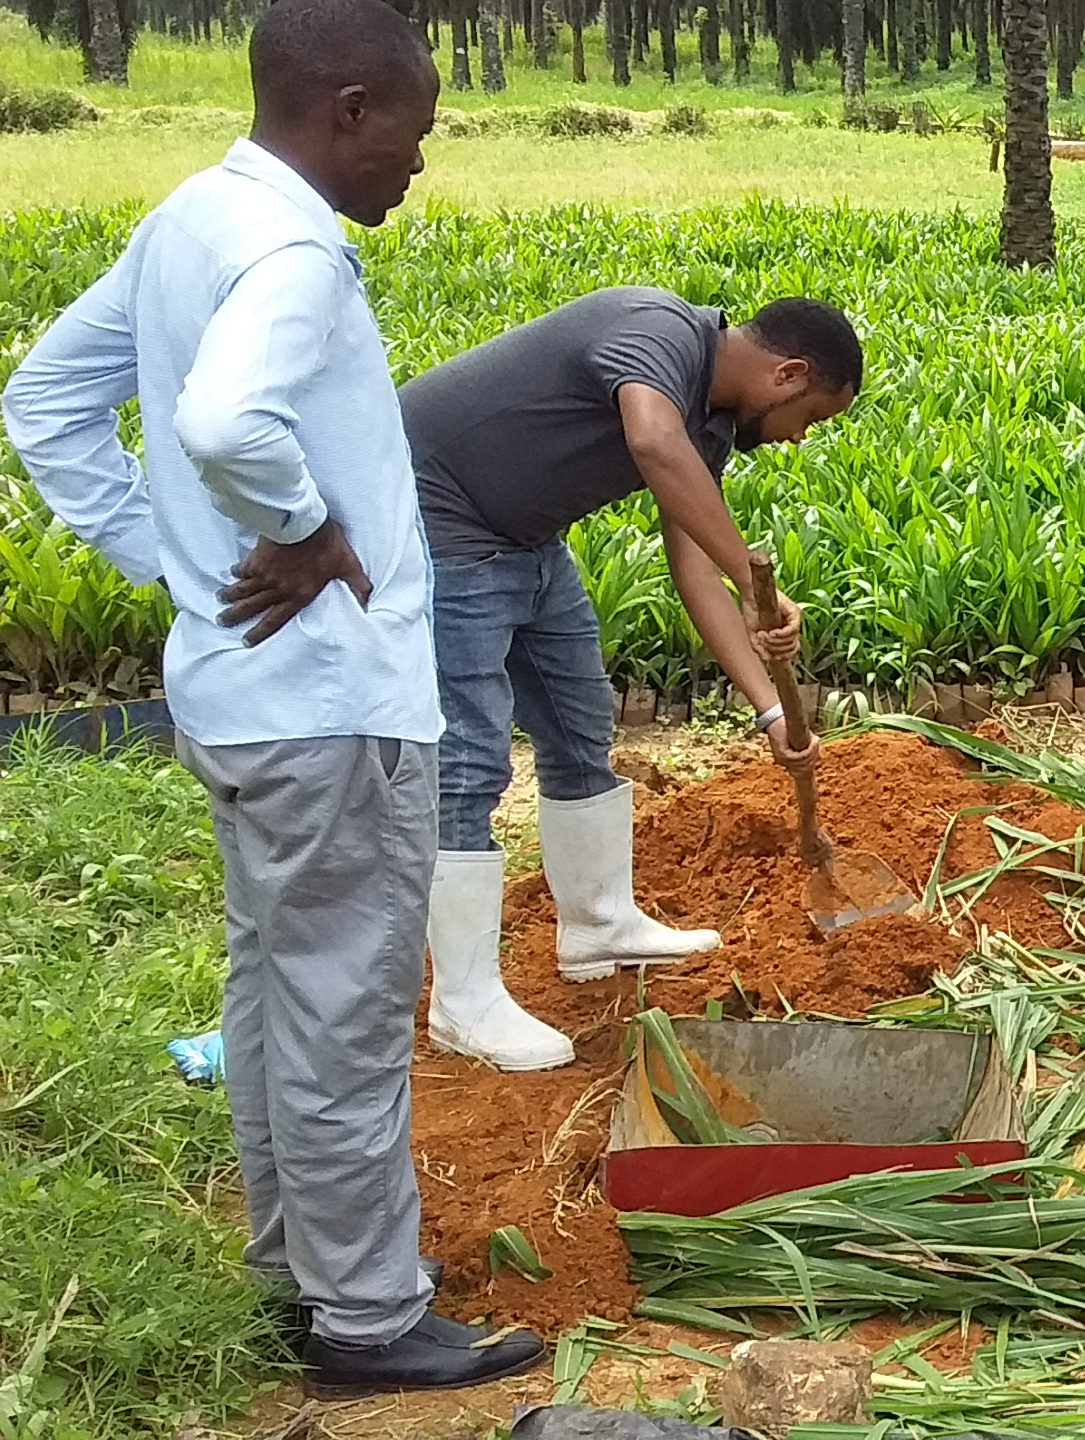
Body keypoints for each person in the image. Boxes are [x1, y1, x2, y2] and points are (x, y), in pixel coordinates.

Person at [1, 0, 543, 1395]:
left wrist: (177, 562)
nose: (418, 168)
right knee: (347, 1014)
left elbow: (44, 401)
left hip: (240, 699)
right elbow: (223, 418)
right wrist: (297, 530)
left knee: (268, 995)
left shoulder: (189, 215)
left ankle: (295, 1269)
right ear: (348, 107)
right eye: (415, 135)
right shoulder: (295, 250)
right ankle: (368, 1317)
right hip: (330, 707)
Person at [399, 291, 859, 1071]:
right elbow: (651, 440)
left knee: (581, 729)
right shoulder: (660, 330)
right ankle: (464, 1003)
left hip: (525, 540)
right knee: (472, 763)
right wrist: (756, 582)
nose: (791, 441)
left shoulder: (708, 432)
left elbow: (692, 573)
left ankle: (597, 923)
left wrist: (769, 712)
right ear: (787, 373)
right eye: (808, 419)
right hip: (437, 523)